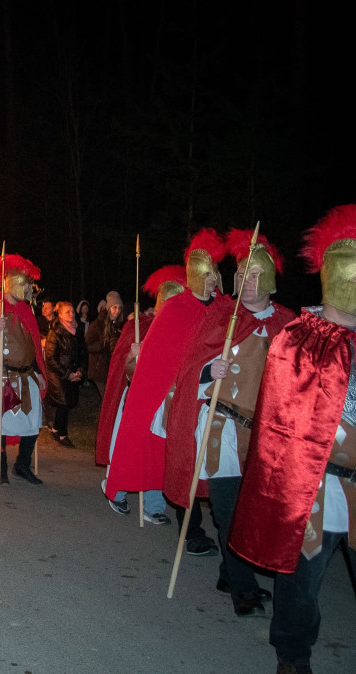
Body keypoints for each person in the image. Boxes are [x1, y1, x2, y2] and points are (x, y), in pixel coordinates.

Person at [230, 205, 356, 673]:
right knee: (301, 583)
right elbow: (279, 423)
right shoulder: (300, 339)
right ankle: (292, 655)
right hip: (315, 487)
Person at [162, 230, 294, 618]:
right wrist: (208, 369)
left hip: (264, 437)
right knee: (227, 510)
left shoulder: (286, 324)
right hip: (221, 430)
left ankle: (227, 572)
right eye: (241, 276)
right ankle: (244, 591)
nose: (244, 282)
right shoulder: (222, 315)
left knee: (251, 511)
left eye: (253, 276)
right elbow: (189, 369)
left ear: (269, 281)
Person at [105, 228, 226, 555]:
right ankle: (191, 530)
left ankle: (209, 528)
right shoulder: (176, 309)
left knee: (204, 464)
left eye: (215, 274)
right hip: (179, 398)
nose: (213, 280)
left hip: (215, 398)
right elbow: (159, 363)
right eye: (207, 274)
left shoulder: (221, 309)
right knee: (177, 456)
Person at [96, 267, 185, 521]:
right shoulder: (140, 326)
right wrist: (134, 357)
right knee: (132, 449)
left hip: (165, 402)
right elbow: (126, 370)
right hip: (139, 399)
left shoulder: (182, 330)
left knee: (158, 453)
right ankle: (116, 491)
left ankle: (154, 506)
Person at [0, 254, 47, 485]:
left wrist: (38, 373)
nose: (28, 290)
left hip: (27, 375)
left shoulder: (27, 312)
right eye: (25, 285)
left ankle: (22, 465)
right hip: (0, 375)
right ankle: (1, 468)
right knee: (1, 425)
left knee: (33, 423)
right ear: (13, 284)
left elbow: (31, 346)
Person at [45, 301, 86, 448]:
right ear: (60, 315)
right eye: (67, 312)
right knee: (63, 402)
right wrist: (67, 374)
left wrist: (80, 371)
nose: (71, 314)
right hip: (59, 374)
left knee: (67, 403)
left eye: (72, 311)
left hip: (73, 372)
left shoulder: (78, 331)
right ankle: (63, 434)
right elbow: (50, 358)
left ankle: (56, 428)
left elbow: (83, 353)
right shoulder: (55, 332)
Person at [86, 291, 124, 399]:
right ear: (108, 308)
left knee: (112, 399)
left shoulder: (118, 324)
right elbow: (87, 345)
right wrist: (103, 344)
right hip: (99, 369)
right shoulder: (97, 324)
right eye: (114, 307)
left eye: (119, 307)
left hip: (111, 368)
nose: (117, 311)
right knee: (107, 398)